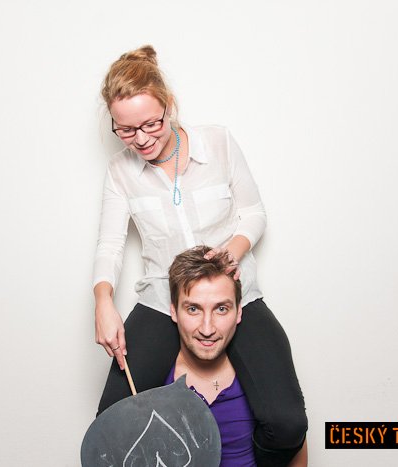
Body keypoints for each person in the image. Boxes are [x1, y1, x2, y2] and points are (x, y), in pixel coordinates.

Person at [93, 44, 307, 464]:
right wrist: (103, 301)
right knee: (111, 424)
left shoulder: (218, 142)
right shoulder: (120, 171)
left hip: (233, 294)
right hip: (162, 299)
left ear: (169, 106)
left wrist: (232, 252)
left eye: (151, 124)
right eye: (126, 130)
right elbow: (110, 244)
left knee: (286, 422)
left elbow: (254, 213)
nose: (142, 139)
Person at [165, 246, 308, 466]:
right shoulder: (155, 377)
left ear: (239, 312)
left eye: (221, 309)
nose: (207, 328)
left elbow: (294, 442)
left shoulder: (260, 377)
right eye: (193, 309)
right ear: (174, 311)